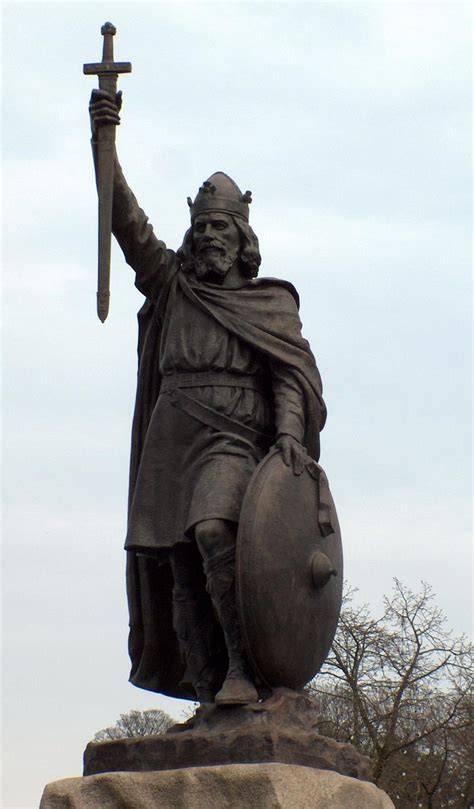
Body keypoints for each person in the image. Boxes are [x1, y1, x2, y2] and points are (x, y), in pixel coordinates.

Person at [89, 89, 327, 705]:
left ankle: (244, 669)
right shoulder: (173, 286)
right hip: (173, 439)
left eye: (220, 225)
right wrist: (103, 142)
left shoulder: (271, 302)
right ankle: (206, 688)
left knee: (215, 531)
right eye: (200, 227)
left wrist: (289, 437)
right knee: (179, 561)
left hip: (232, 438)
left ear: (242, 235)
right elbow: (125, 222)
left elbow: (289, 376)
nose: (208, 235)